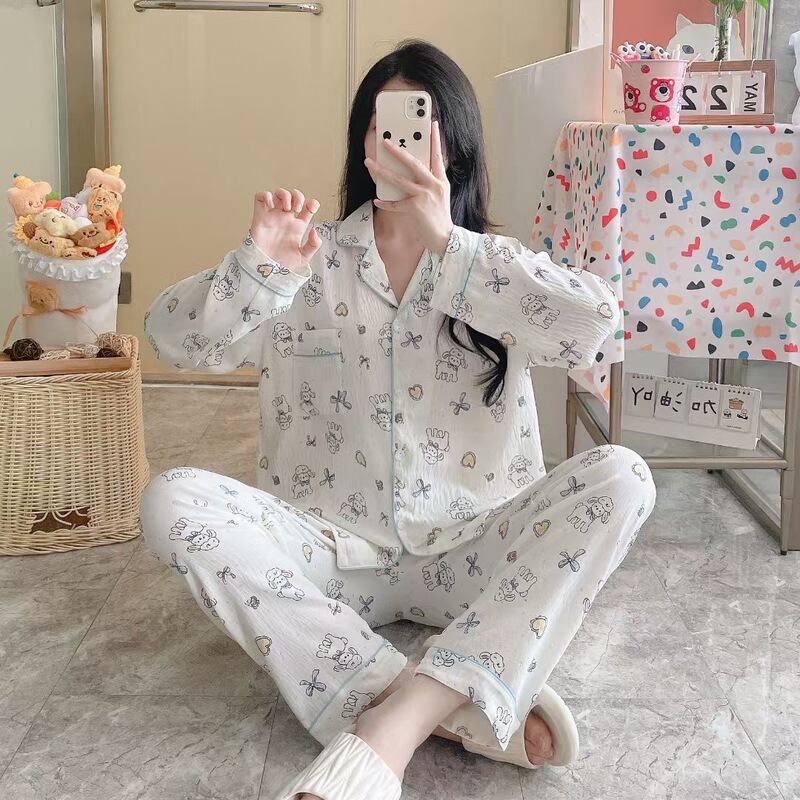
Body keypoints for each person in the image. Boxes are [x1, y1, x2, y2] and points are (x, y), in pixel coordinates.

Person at [141, 39, 656, 800]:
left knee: (624, 477)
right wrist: (255, 268)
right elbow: (170, 339)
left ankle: (394, 725)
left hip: (473, 556)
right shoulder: (302, 262)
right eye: (388, 128)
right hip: (329, 555)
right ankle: (446, 702)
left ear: (457, 148)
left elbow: (596, 328)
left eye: (423, 128)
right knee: (171, 499)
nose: (404, 147)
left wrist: (451, 243)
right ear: (365, 143)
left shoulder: (494, 265)